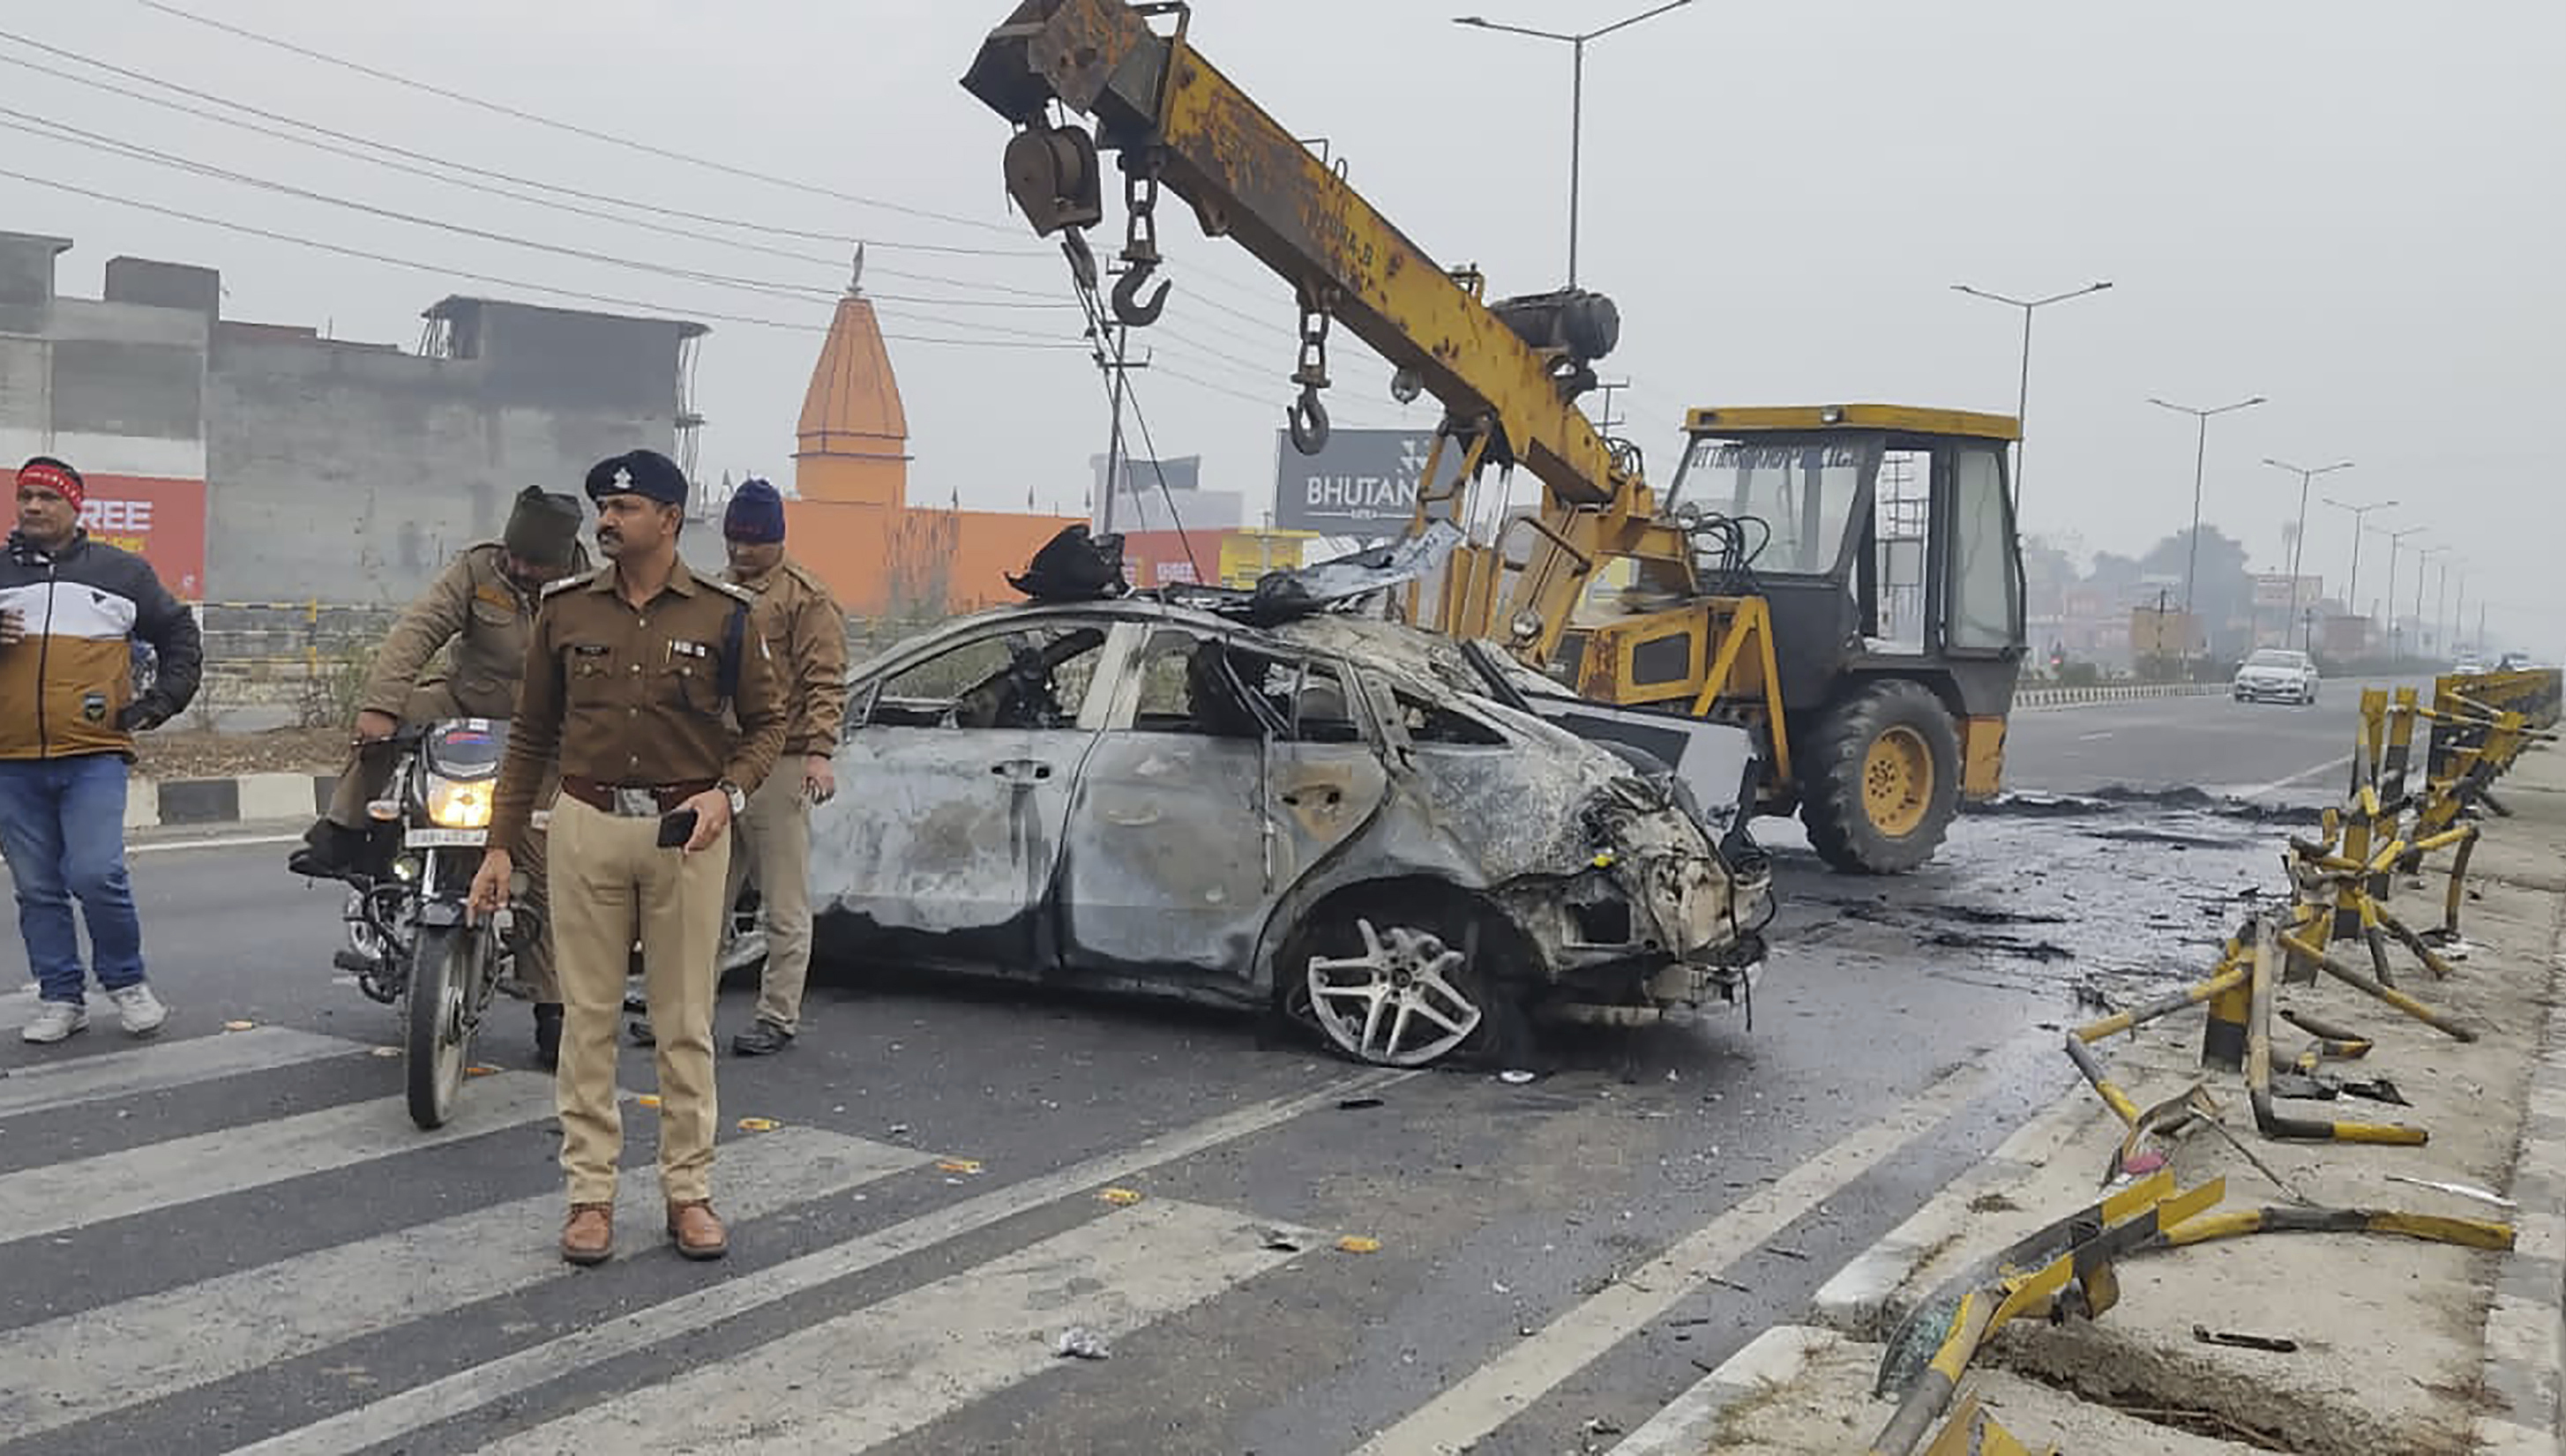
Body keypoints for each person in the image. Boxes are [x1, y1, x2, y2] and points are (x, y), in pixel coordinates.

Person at [468, 448, 788, 1266]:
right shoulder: (566, 611)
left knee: (684, 1023)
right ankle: (590, 1198)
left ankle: (689, 1192)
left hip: (688, 831)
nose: (607, 521)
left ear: (670, 520)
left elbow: (766, 728)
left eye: (627, 508)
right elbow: (532, 733)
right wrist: (500, 843)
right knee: (588, 1021)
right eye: (604, 509)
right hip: (587, 823)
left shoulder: (725, 612)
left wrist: (729, 795)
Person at [289, 486, 588, 1067]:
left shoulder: (589, 593)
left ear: (561, 557)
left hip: (544, 738)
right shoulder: (477, 567)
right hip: (462, 703)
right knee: (386, 727)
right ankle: (344, 829)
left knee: (545, 864)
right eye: (514, 555)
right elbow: (418, 629)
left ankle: (553, 1007)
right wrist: (378, 703)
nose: (519, 568)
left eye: (533, 562)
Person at [0, 456, 203, 1044]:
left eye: (48, 497)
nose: (34, 506)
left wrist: (158, 703)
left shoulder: (122, 573)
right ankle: (61, 996)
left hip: (92, 754)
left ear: (74, 506)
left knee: (96, 872)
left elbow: (179, 635)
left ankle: (127, 981)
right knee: (37, 887)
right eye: (26, 495)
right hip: (11, 760)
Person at [710, 479, 846, 1055]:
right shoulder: (714, 590)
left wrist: (819, 751)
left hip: (780, 763)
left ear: (775, 538)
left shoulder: (804, 598)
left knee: (782, 901)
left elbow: (824, 678)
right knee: (703, 898)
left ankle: (777, 1014)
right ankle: (685, 1006)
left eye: (752, 541)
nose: (741, 552)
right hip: (719, 761)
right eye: (733, 539)